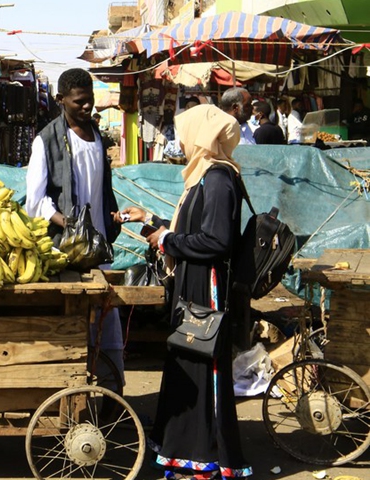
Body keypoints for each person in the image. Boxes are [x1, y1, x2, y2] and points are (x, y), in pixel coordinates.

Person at [119, 104, 252, 479]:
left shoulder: (219, 179)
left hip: (206, 287)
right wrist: (152, 222)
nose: (180, 140)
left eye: (183, 132)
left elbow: (215, 241)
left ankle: (208, 457)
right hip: (192, 282)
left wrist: (169, 239)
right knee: (187, 362)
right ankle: (184, 450)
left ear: (200, 135)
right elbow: (192, 230)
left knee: (202, 364)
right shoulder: (203, 176)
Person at [24, 68, 123, 391]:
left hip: (99, 248)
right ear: (60, 100)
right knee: (71, 326)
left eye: (89, 101)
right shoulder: (46, 141)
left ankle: (110, 397)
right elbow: (35, 202)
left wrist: (111, 218)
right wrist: (66, 222)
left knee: (107, 324)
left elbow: (101, 189)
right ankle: (68, 394)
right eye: (79, 102)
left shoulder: (97, 136)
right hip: (64, 251)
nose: (86, 107)